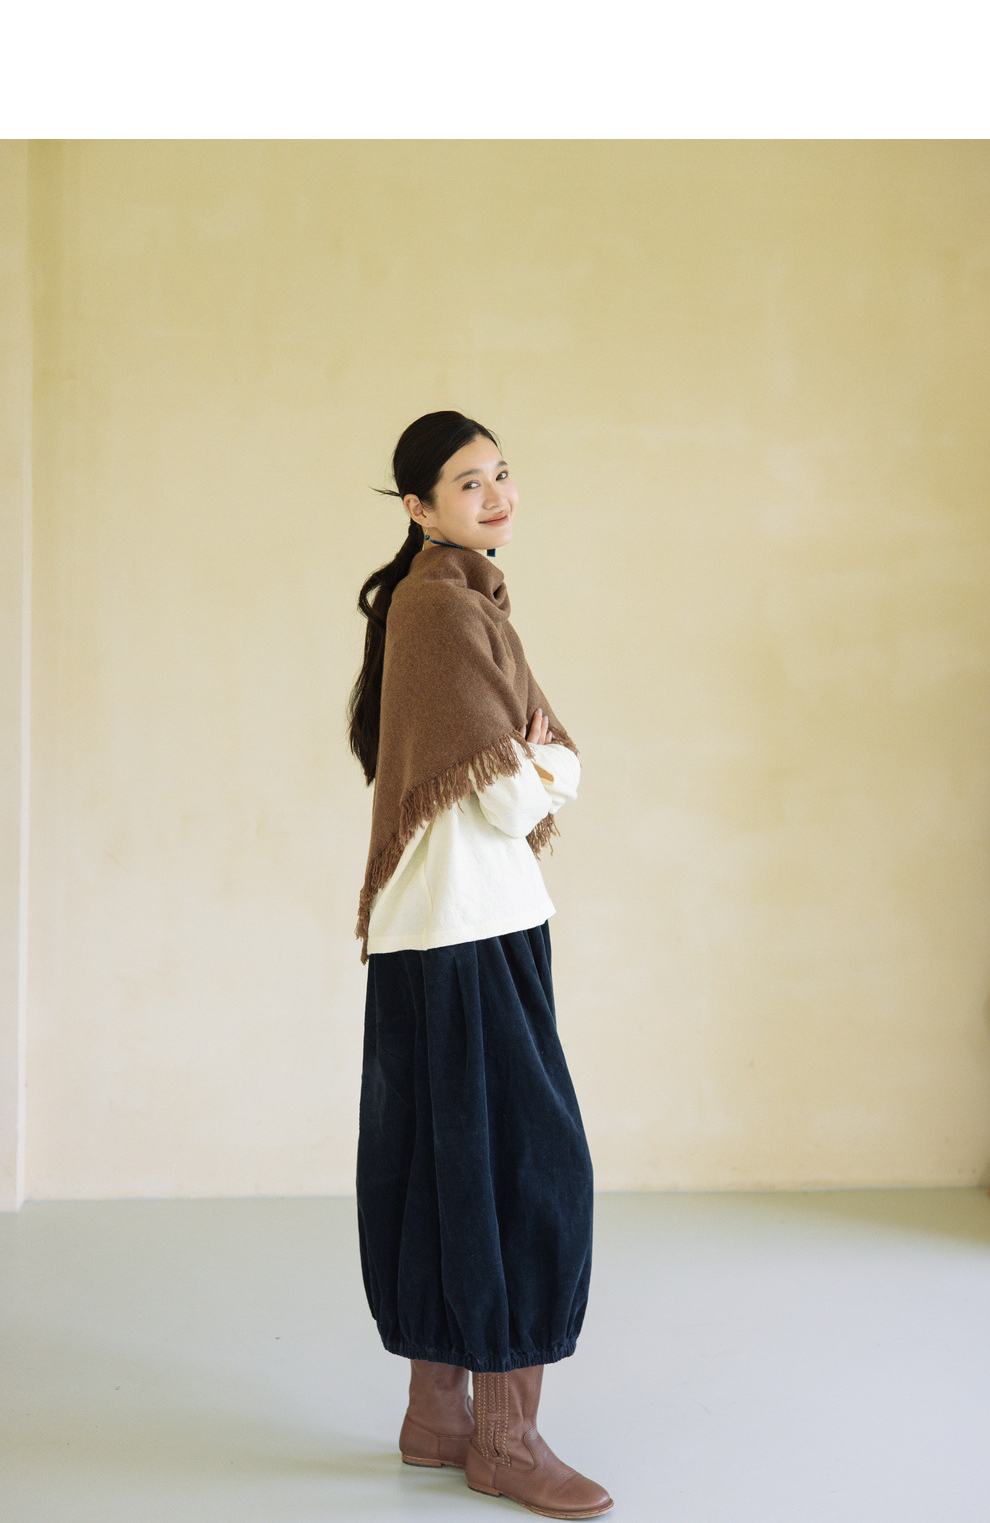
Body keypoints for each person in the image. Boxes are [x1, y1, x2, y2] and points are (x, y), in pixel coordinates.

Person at [347, 411, 613, 1519]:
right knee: (524, 1168)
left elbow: (533, 760)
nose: (497, 494)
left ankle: (438, 1415)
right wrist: (548, 766)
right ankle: (506, 1440)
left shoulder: (447, 602)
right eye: (468, 482)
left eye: (502, 472)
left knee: (438, 1164)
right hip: (473, 926)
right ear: (419, 508)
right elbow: (516, 788)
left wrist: (538, 761)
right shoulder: (447, 608)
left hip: (432, 930)